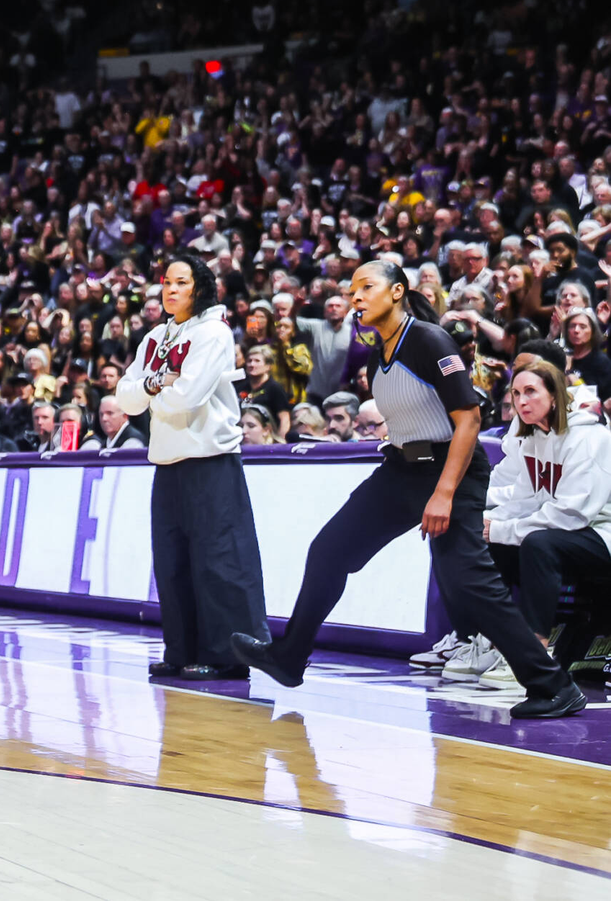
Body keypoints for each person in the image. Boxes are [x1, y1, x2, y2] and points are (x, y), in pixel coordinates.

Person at [234, 260, 587, 719]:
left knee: (468, 581)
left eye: (367, 286)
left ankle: (553, 685)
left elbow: (469, 419)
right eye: (352, 287)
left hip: (451, 470)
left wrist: (442, 493)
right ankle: (289, 657)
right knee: (328, 552)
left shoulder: (428, 340)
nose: (356, 295)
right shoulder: (377, 352)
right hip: (401, 469)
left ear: (397, 291)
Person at [115, 254, 268, 680]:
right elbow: (125, 399)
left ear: (199, 288)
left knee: (218, 562)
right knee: (173, 561)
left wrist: (155, 393)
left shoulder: (214, 332)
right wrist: (153, 384)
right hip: (166, 461)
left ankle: (228, 656)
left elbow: (187, 397)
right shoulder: (153, 339)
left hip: (211, 460)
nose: (170, 289)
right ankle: (181, 650)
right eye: (166, 282)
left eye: (180, 282)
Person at [472, 361, 611, 689]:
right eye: (516, 393)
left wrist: (504, 528)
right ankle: (497, 643)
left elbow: (572, 514)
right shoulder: (533, 437)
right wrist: (488, 520)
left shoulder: (590, 438)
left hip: (602, 531)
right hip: (572, 530)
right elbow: (528, 498)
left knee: (537, 542)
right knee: (492, 541)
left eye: (531, 392)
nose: (521, 401)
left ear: (555, 395)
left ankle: (535, 655)